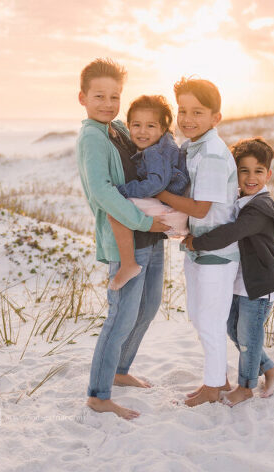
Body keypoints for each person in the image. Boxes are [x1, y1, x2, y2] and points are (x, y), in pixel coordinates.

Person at [75, 58, 170, 420]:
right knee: (120, 317)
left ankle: (120, 370)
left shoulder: (117, 127)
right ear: (82, 97)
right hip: (128, 237)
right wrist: (144, 222)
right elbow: (101, 190)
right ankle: (99, 395)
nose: (108, 103)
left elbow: (154, 141)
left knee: (147, 309)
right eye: (99, 96)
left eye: (114, 96)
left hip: (151, 236)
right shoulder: (91, 137)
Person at [154, 77, 240, 407]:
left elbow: (202, 207)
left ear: (215, 118)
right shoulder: (193, 147)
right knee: (199, 316)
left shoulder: (214, 155)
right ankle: (219, 377)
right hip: (197, 246)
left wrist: (159, 194)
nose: (188, 119)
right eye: (183, 111)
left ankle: (214, 386)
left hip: (217, 252)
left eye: (198, 112)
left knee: (210, 320)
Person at [183, 137, 274, 406]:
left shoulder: (260, 208)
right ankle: (271, 371)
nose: (251, 177)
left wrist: (197, 242)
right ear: (235, 173)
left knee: (249, 338)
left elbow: (232, 233)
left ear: (268, 174)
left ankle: (246, 387)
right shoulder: (241, 200)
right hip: (241, 282)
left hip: (259, 285)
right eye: (244, 171)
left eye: (258, 171)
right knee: (233, 330)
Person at [107, 95, 190, 291]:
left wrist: (123, 190)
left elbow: (155, 184)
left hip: (170, 210)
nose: (142, 132)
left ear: (162, 128)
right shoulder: (163, 144)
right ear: (128, 126)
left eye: (151, 126)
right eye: (136, 125)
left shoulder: (154, 153)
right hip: (174, 209)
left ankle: (128, 265)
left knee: (118, 211)